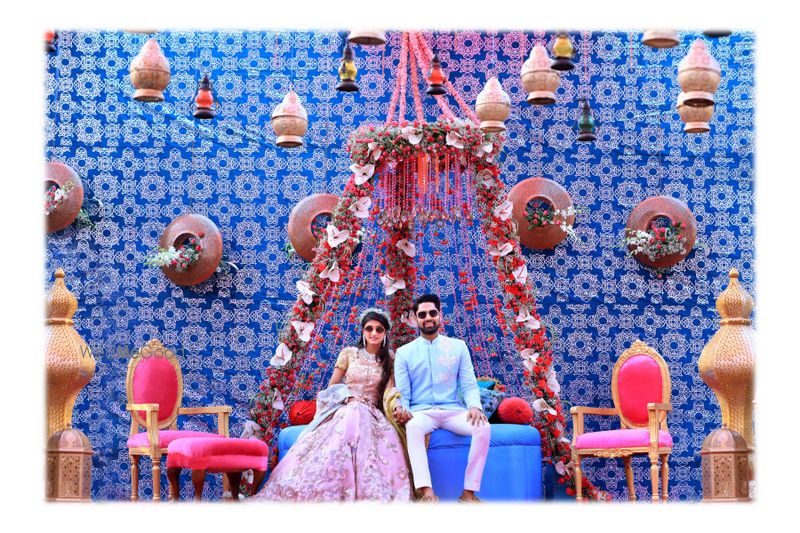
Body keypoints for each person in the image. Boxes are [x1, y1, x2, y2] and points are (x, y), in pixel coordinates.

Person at [256, 309, 411, 501]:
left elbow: (390, 390)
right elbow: (332, 386)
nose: (374, 333)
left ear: (385, 333)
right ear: (363, 331)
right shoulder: (349, 354)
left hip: (371, 412)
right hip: (347, 406)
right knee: (352, 412)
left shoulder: (390, 358)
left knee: (363, 417)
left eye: (379, 329)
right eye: (369, 328)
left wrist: (396, 406)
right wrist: (345, 399)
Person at [393, 293, 490, 503]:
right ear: (415, 319)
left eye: (432, 313)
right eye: (422, 314)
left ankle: (468, 494)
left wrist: (475, 406)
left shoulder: (458, 346)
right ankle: (427, 493)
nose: (428, 317)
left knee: (483, 426)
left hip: (452, 410)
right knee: (413, 426)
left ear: (440, 315)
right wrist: (403, 409)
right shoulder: (404, 353)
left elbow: (469, 384)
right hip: (421, 411)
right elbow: (403, 393)